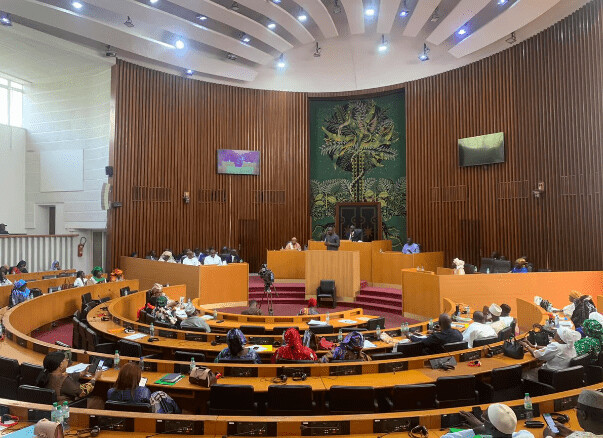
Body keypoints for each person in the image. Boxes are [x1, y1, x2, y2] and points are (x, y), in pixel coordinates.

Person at [35, 351, 103, 409]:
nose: (67, 361)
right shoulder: (64, 380)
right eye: (65, 359)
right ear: (61, 365)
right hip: (65, 409)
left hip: (51, 406)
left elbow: (67, 376)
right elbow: (83, 391)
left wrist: (81, 373)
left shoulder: (46, 374)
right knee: (98, 400)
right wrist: (95, 378)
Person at [107, 362, 180, 413]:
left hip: (122, 421)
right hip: (143, 421)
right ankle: (178, 414)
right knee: (160, 395)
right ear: (137, 379)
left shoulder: (110, 392)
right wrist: (141, 387)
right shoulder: (144, 392)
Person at [441, 403, 534, 438]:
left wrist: (476, 430)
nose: (482, 420)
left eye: (484, 419)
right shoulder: (526, 435)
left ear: (493, 428)